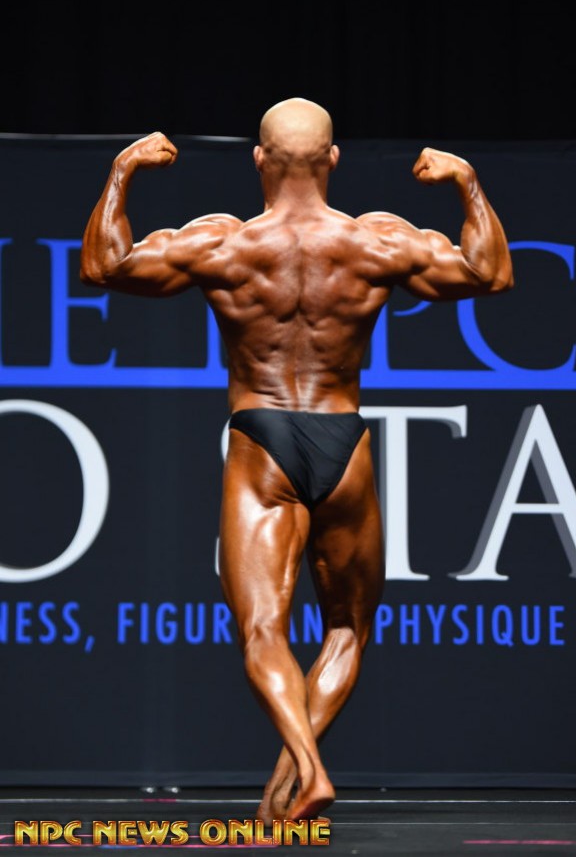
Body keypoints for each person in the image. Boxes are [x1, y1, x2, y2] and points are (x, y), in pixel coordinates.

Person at [79, 97, 514, 823]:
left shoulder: (225, 243)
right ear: (334, 159)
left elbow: (104, 264)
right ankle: (288, 789)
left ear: (259, 159)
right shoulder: (374, 240)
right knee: (347, 630)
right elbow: (489, 272)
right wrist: (467, 183)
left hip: (263, 440)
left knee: (262, 631)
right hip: (344, 441)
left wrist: (123, 171)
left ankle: (305, 773)